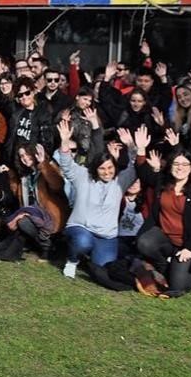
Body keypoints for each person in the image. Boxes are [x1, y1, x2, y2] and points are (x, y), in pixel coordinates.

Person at [55, 119, 139, 280]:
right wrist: (65, 141)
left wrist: (132, 147)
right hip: (81, 227)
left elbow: (134, 167)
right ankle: (72, 260)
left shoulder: (120, 181)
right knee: (83, 241)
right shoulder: (83, 176)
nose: (106, 172)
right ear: (95, 168)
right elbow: (66, 165)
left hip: (106, 235)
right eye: (102, 168)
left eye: (110, 168)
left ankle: (88, 258)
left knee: (103, 270)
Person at [136, 149, 191, 296]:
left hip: (187, 244)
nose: (180, 167)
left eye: (185, 164)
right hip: (165, 238)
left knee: (177, 288)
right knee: (144, 242)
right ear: (170, 166)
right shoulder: (162, 182)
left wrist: (190, 249)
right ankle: (162, 264)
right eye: (176, 163)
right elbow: (144, 175)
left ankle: (184, 269)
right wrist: (140, 150)